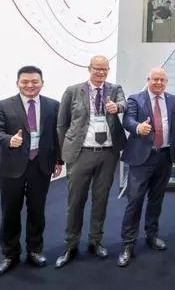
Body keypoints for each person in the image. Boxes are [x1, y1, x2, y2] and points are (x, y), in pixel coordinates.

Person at [0, 66, 62, 277]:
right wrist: (8, 139)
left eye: (35, 81)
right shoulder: (2, 106)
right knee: (10, 212)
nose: (30, 85)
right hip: (11, 167)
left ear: (42, 83)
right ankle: (10, 254)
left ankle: (34, 250)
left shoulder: (53, 105)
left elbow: (56, 135)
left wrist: (59, 160)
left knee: (37, 211)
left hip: (41, 165)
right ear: (18, 83)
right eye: (25, 82)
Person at [55, 55, 127, 268]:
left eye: (105, 69)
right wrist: (64, 153)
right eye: (97, 68)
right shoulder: (73, 91)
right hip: (81, 153)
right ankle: (71, 244)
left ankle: (95, 241)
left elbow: (123, 103)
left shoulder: (115, 89)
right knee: (76, 201)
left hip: (108, 154)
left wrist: (117, 108)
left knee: (101, 200)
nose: (101, 73)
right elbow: (62, 124)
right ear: (89, 69)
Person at [117, 68, 175, 267]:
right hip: (141, 158)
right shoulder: (135, 99)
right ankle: (128, 243)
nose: (159, 83)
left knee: (156, 199)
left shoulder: (173, 100)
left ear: (166, 82)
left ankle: (151, 235)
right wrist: (138, 127)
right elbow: (128, 120)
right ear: (148, 80)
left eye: (162, 80)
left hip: (164, 156)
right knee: (135, 200)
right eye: (155, 79)